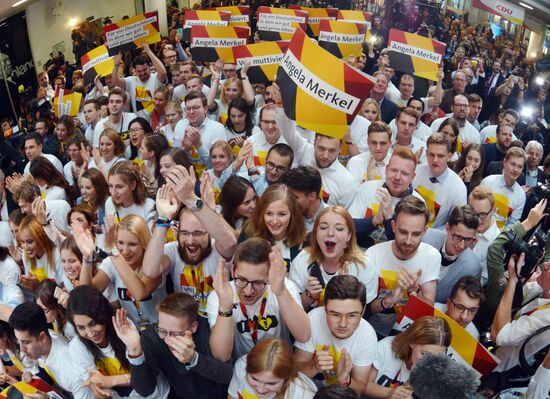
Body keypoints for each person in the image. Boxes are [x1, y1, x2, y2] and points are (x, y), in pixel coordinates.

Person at [142, 170, 237, 317]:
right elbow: (150, 270)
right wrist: (163, 219)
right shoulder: (173, 250)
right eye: (185, 233)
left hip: (218, 320)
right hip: (185, 321)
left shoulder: (217, 248)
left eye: (198, 233)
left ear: (209, 233)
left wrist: (191, 199)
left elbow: (230, 242)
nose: (191, 241)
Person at [206, 237, 310, 361]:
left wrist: (281, 292)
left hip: (279, 364)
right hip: (241, 368)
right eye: (242, 280)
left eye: (258, 282)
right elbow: (221, 355)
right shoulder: (220, 294)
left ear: (269, 275)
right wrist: (225, 307)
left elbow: (304, 336)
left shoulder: (284, 286)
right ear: (233, 271)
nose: (248, 291)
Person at [112, 293, 233, 399]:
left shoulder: (207, 331)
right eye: (163, 330)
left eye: (176, 333)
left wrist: (193, 359)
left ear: (193, 327)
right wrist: (135, 351)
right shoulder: (152, 336)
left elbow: (228, 375)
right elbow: (145, 390)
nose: (168, 340)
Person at [67, 285, 170, 399]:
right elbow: (97, 384)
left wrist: (111, 381)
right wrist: (99, 388)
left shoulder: (123, 327)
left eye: (93, 324)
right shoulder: (77, 347)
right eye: (81, 328)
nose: (90, 334)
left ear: (103, 315)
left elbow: (146, 377)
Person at [366, 196, 440, 337]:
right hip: (374, 330)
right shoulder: (373, 255)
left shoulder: (432, 256)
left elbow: (428, 310)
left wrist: (415, 292)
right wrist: (390, 300)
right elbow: (365, 308)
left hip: (410, 334)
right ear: (393, 227)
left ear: (425, 231)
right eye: (403, 232)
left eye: (416, 234)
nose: (408, 241)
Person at [76, 214, 165, 329]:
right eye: (120, 243)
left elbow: (140, 293)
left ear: (143, 244)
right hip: (133, 333)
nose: (125, 251)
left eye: (133, 244)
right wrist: (87, 258)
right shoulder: (112, 260)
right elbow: (86, 296)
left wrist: (113, 253)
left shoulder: (153, 263)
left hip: (162, 331)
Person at [294, 275, 377, 394]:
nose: (343, 324)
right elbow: (294, 372)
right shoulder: (312, 320)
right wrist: (314, 366)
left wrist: (346, 381)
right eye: (335, 314)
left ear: (363, 311)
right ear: (325, 308)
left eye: (352, 315)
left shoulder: (367, 335)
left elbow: (360, 388)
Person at [275, 99, 358, 209]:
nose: (325, 155)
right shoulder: (305, 151)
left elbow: (345, 218)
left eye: (332, 150)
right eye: (321, 148)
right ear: (314, 143)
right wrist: (281, 103)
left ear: (339, 150)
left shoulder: (348, 183)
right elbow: (286, 128)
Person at [290, 207, 378, 310]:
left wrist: (345, 292)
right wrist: (309, 296)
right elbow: (292, 311)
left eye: (339, 229)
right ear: (316, 233)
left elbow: (364, 314)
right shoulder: (302, 260)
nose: (330, 233)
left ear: (349, 235)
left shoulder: (364, 266)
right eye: (323, 228)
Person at [490, 252, 550, 376]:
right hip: (492, 352)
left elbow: (499, 335)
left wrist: (512, 279)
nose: (545, 264)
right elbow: (515, 296)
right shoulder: (540, 290)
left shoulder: (547, 317)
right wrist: (521, 273)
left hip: (497, 369)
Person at [351, 147, 424, 245]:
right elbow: (348, 227)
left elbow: (405, 247)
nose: (397, 177)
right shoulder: (368, 187)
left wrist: (389, 216)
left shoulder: (418, 203)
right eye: (394, 170)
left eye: (404, 173)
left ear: (412, 177)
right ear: (386, 169)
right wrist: (374, 220)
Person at [364, 316, 451, 398]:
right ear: (412, 342)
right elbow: (362, 384)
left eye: (436, 358)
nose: (429, 363)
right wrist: (389, 393)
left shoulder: (438, 368)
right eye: (424, 354)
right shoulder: (385, 348)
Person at [422, 205, 481, 303]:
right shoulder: (425, 239)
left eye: (468, 239)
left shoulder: (473, 267)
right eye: (458, 237)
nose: (462, 246)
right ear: (447, 228)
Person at [241, 184, 306, 268]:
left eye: (282, 214)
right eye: (269, 214)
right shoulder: (248, 234)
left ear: (292, 214)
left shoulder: (305, 242)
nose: (274, 221)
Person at [228, 338, 317, 399]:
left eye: (271, 383)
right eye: (254, 378)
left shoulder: (303, 394)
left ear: (287, 377)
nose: (260, 389)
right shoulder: (242, 366)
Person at [413, 134, 467, 229]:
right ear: (426, 153)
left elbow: (456, 226)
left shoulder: (459, 188)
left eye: (440, 156)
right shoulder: (415, 171)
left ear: (449, 156)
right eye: (432, 154)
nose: (435, 160)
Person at [173, 92, 226, 176]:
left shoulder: (218, 128)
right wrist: (185, 149)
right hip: (186, 177)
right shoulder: (180, 125)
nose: (191, 112)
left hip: (210, 179)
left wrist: (199, 145)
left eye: (196, 108)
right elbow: (174, 162)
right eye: (188, 108)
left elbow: (217, 167)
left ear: (205, 109)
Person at [112, 45, 167, 119]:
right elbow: (115, 81)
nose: (142, 73)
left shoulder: (155, 78)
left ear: (149, 67)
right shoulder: (131, 81)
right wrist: (116, 64)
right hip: (140, 123)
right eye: (139, 71)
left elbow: (163, 73)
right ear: (134, 70)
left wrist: (148, 51)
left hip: (158, 120)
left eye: (145, 70)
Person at [480, 147, 526, 229]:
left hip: (498, 238)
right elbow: (475, 209)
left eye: (519, 167)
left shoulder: (521, 196)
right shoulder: (488, 182)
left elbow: (512, 225)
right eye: (513, 164)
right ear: (504, 162)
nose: (515, 169)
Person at [104, 161, 157, 231]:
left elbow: (151, 239)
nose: (113, 192)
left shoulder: (148, 206)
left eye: (119, 187)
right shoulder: (109, 203)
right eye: (111, 186)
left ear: (133, 185)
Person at [18, 214, 63, 291]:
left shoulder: (57, 254)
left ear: (41, 237)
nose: (25, 247)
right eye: (22, 242)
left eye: (30, 242)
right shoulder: (25, 255)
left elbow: (64, 289)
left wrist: (39, 285)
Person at [468, 186, 500, 287]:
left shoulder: (496, 244)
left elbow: (482, 284)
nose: (478, 220)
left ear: (493, 210)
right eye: (473, 214)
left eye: (483, 215)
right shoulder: (465, 223)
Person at [280, 165, 326, 233]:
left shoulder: (331, 219)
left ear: (312, 196)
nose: (289, 201)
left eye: (295, 197)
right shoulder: (284, 212)